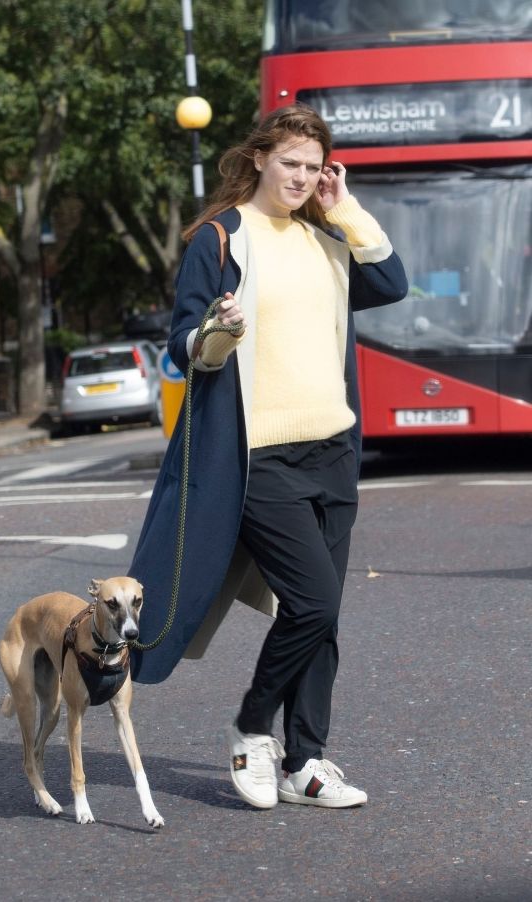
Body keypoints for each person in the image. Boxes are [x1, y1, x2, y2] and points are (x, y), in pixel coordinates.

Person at [128, 103, 407, 811]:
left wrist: (346, 209)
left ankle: (308, 761)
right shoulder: (221, 237)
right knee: (310, 600)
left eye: (315, 168)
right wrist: (218, 331)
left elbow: (391, 282)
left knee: (325, 613)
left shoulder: (325, 238)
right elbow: (183, 343)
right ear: (258, 158)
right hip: (259, 455)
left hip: (333, 450)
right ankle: (253, 727)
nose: (303, 178)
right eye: (291, 163)